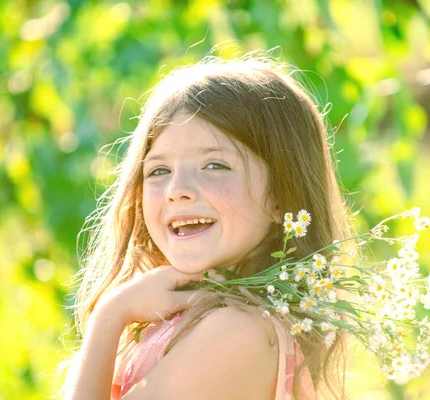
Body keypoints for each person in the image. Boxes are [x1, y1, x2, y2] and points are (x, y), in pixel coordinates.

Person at [58, 52, 351, 399]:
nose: (177, 191)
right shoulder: (186, 317)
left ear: (280, 199)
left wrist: (109, 317)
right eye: (159, 171)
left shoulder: (239, 333)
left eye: (214, 166)